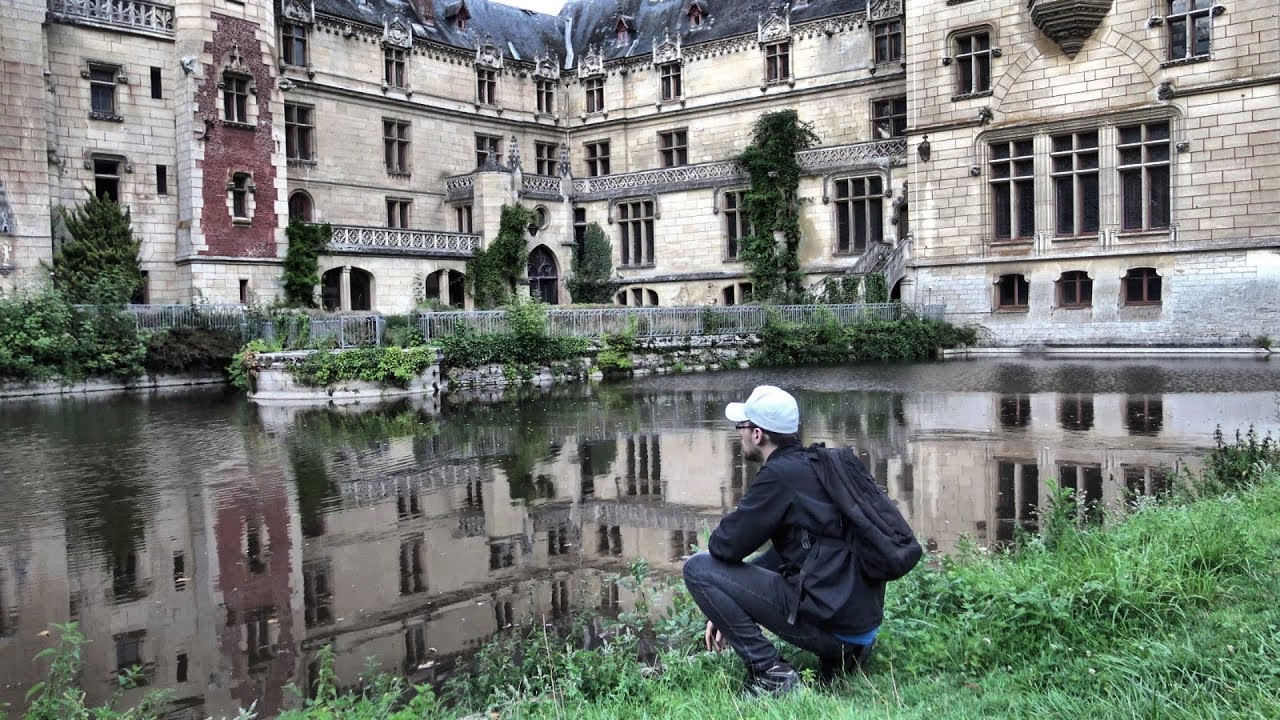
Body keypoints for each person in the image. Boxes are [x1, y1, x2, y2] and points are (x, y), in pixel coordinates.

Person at [682, 385, 885, 695]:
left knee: (698, 569)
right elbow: (793, 554)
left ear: (758, 434)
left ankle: (771, 673)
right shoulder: (819, 464)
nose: (739, 434)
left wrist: (725, 594)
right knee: (730, 572)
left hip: (838, 635)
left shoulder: (778, 477)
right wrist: (728, 601)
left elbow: (724, 546)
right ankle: (836, 659)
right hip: (861, 634)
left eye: (742, 427)